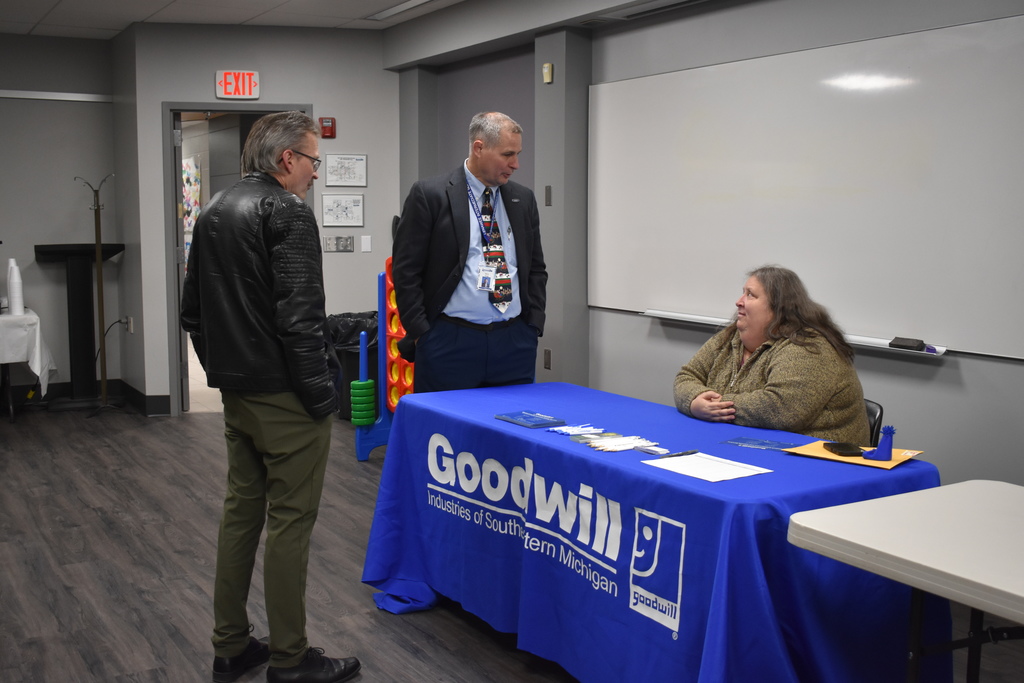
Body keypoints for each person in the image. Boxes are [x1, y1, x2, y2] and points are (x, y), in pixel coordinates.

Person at [180, 111, 360, 683]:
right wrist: (319, 399)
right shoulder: (288, 213)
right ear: (287, 160)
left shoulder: (211, 212)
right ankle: (289, 658)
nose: (314, 172)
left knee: (241, 517)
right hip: (286, 399)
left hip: (240, 397)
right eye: (312, 160)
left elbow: (193, 313)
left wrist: (227, 373)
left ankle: (230, 646)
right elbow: (299, 321)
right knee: (290, 526)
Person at [391, 111, 547, 392]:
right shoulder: (431, 194)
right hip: (450, 341)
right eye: (507, 154)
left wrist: (533, 325)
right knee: (447, 433)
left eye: (518, 153)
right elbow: (406, 271)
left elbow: (536, 267)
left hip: (513, 341)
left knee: (508, 431)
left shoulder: (522, 199)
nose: (516, 164)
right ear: (479, 148)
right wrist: (422, 332)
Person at [673, 265, 870, 444]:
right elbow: (687, 376)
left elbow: (781, 409)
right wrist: (694, 400)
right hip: (748, 446)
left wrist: (714, 406)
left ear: (778, 308)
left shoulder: (808, 347)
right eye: (742, 293)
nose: (738, 302)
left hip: (821, 463)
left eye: (750, 295)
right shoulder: (729, 337)